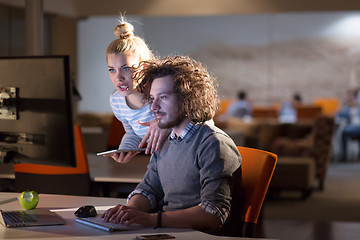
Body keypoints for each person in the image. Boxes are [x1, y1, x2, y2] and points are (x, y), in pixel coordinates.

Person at [102, 56, 242, 231]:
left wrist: (152, 219)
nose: (154, 107)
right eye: (152, 98)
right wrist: (131, 210)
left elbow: (213, 214)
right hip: (167, 231)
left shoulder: (214, 143)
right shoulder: (165, 141)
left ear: (189, 98)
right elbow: (149, 188)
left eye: (163, 97)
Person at [105, 15, 169, 163]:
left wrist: (166, 124)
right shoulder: (117, 101)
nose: (118, 77)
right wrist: (125, 149)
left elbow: (196, 122)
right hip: (161, 162)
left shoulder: (163, 93)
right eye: (111, 70)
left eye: (126, 68)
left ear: (144, 67)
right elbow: (132, 132)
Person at [335, 89, 360, 161]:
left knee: (345, 131)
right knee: (344, 132)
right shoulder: (348, 109)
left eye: (351, 97)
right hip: (352, 128)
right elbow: (338, 114)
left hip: (358, 127)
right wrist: (343, 104)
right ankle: (344, 155)